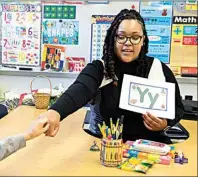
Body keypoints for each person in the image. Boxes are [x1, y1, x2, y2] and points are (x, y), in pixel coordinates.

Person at [38, 9, 184, 144]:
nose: (128, 43)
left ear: (143, 40)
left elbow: (177, 108)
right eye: (121, 37)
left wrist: (165, 123)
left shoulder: (158, 68)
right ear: (113, 38)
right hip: (110, 148)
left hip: (151, 148)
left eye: (135, 38)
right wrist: (55, 112)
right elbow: (81, 88)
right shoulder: (102, 68)